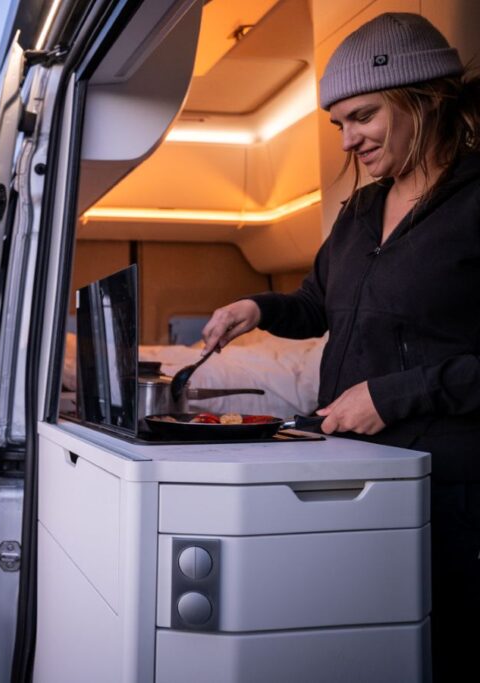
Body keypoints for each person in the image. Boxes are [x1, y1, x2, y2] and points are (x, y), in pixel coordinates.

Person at [201, 12, 480, 680]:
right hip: (356, 473)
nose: (349, 140)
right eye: (339, 125)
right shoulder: (359, 212)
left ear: (424, 98)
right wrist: (256, 307)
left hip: (454, 492)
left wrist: (393, 395)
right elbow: (318, 306)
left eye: (363, 117)